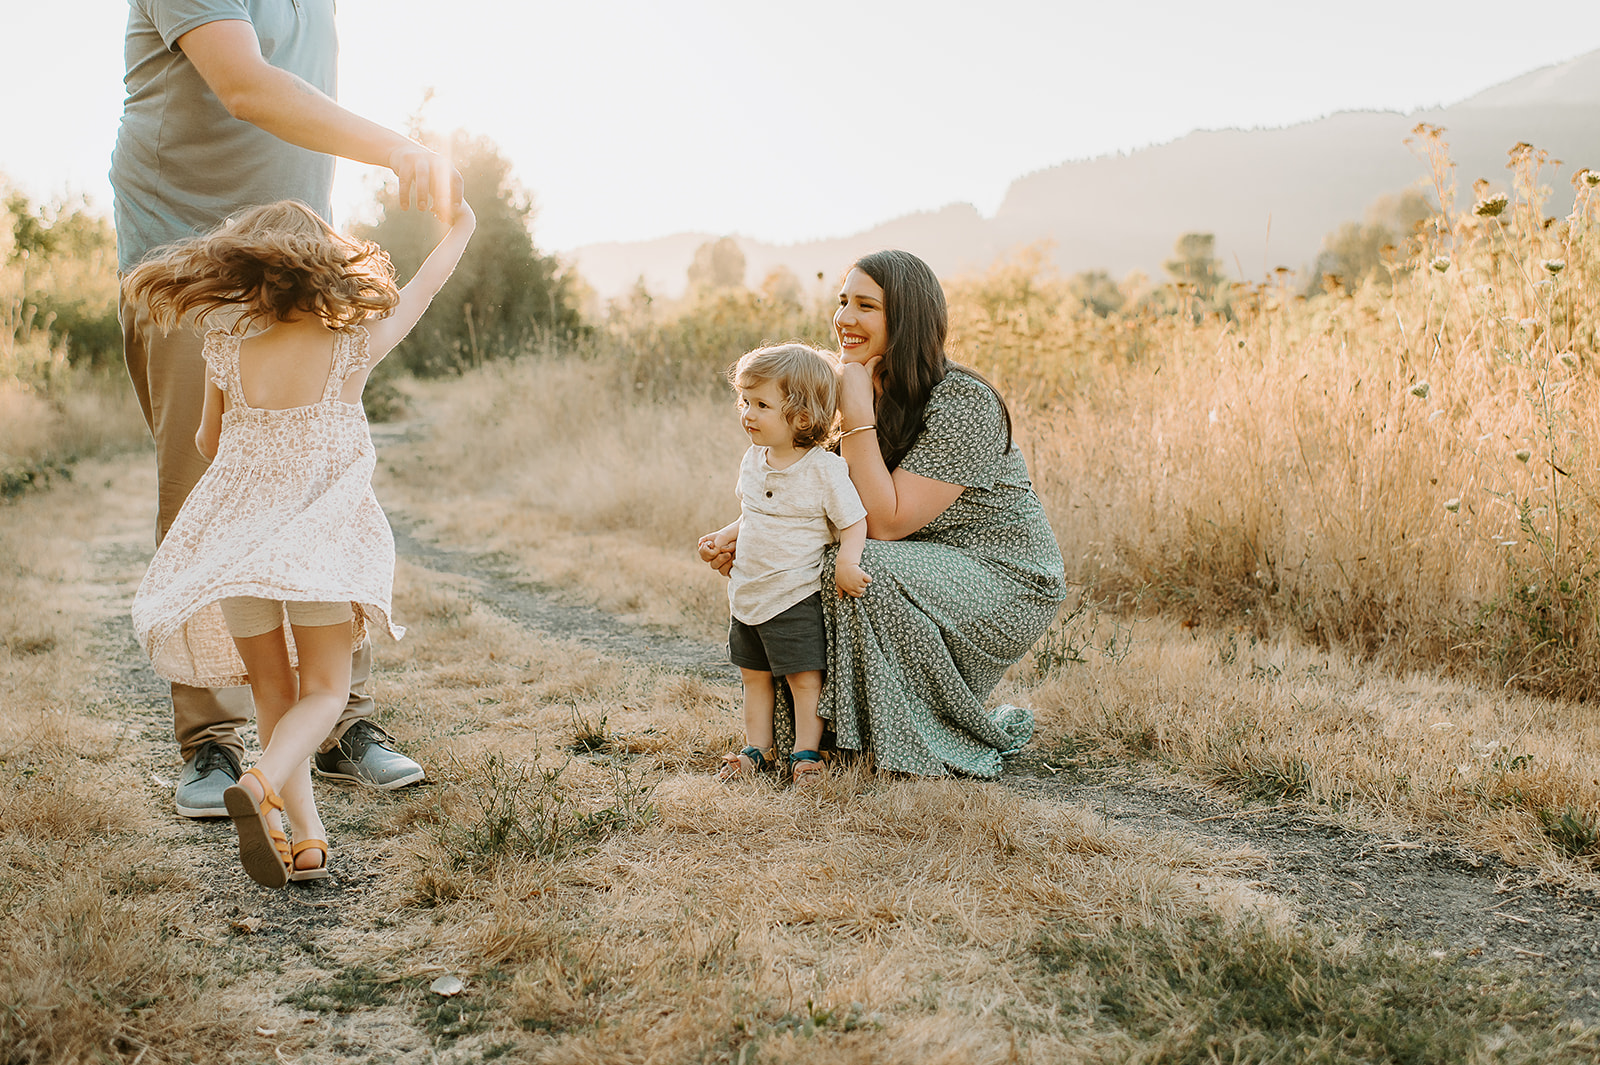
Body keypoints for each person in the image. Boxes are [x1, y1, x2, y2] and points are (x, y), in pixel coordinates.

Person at [111, 0, 461, 817]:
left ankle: (338, 725)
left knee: (322, 497)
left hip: (300, 268)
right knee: (212, 486)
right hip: (198, 264)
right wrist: (401, 148)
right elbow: (246, 87)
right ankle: (213, 743)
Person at [127, 197, 476, 886]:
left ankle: (307, 838)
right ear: (327, 271)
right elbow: (427, 286)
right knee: (324, 691)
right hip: (316, 552)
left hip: (238, 552)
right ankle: (260, 786)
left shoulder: (225, 346)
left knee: (272, 693)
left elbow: (206, 443)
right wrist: (460, 222)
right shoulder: (350, 345)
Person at [704, 250, 1069, 777]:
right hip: (918, 557)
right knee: (806, 566)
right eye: (843, 301)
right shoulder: (848, 386)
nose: (845, 318)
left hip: (1002, 573)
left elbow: (885, 524)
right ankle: (826, 742)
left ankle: (892, 742)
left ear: (906, 318)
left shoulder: (964, 401)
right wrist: (747, 536)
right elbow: (820, 500)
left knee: (858, 567)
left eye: (866, 305)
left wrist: (856, 417)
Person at [698, 344, 871, 784]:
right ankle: (758, 749)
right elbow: (752, 516)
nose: (748, 414)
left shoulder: (824, 470)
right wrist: (725, 535)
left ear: (801, 417)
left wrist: (847, 563)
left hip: (792, 598)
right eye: (745, 403)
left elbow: (854, 522)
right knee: (753, 678)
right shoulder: (753, 460)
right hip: (747, 595)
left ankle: (806, 755)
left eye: (761, 405)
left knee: (803, 681)